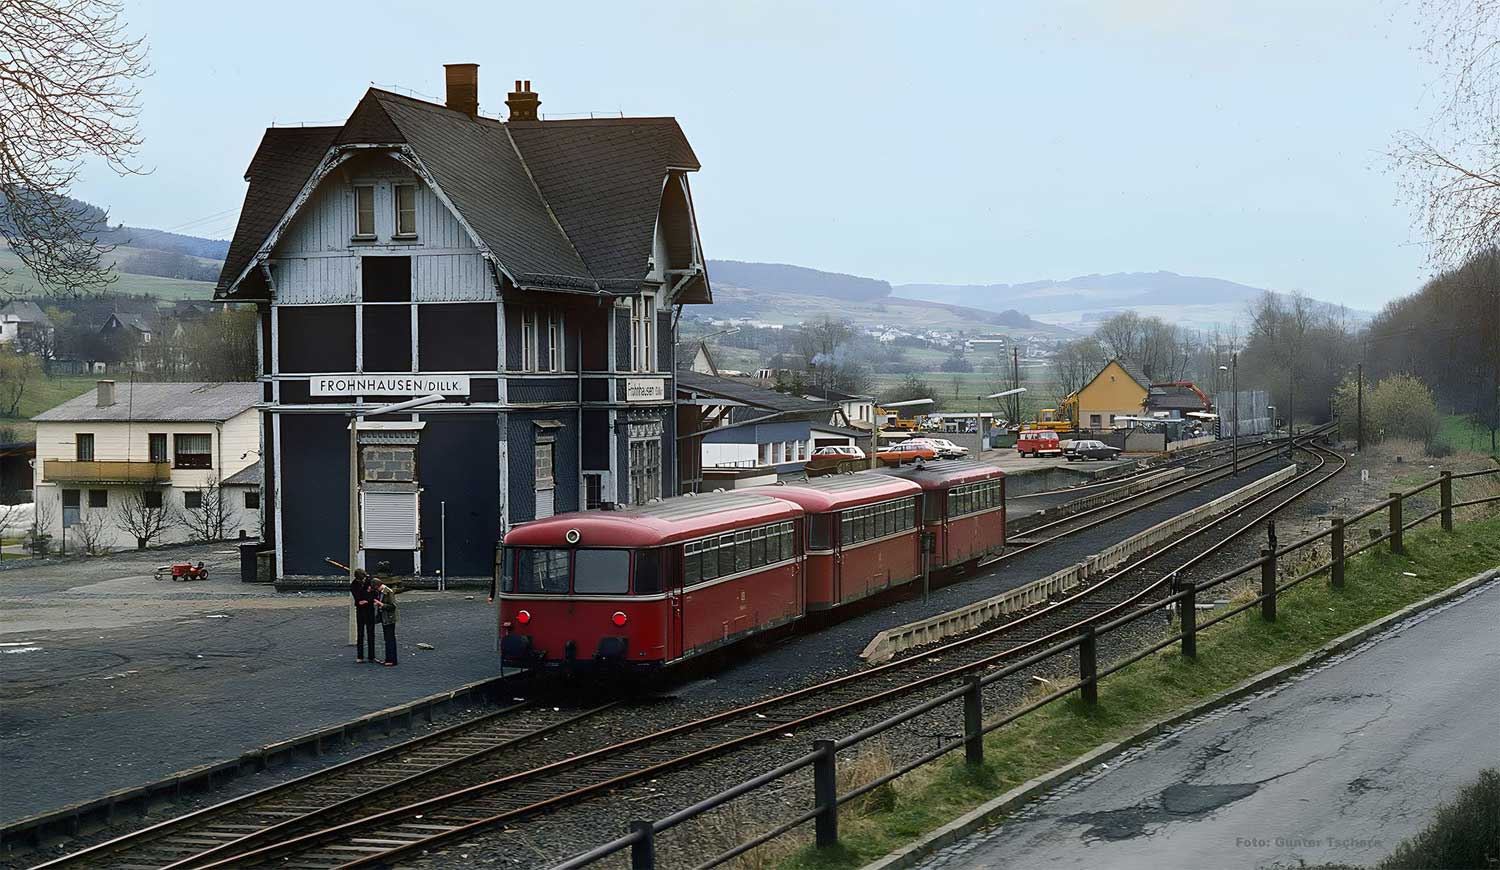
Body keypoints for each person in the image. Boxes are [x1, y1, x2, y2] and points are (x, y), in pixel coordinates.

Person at [375, 581, 406, 666]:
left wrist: (381, 604)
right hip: (386, 618)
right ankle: (388, 659)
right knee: (388, 639)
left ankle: (392, 660)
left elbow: (393, 606)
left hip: (389, 618)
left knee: (390, 639)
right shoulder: (384, 592)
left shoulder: (388, 592)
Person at [350, 569, 375, 663]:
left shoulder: (370, 581)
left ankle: (371, 656)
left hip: (368, 608)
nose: (362, 580)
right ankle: (360, 656)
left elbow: (374, 593)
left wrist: (366, 600)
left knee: (370, 633)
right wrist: (366, 597)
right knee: (360, 633)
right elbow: (357, 596)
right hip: (362, 609)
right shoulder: (354, 584)